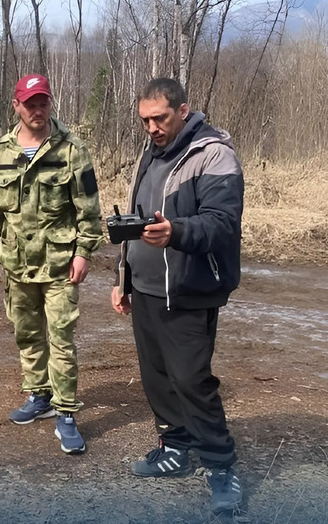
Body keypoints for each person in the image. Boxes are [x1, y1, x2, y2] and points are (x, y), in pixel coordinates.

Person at [111, 78, 244, 511]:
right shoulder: (150, 154)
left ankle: (222, 468)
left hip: (188, 289)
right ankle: (174, 448)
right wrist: (123, 278)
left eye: (160, 118)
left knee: (191, 380)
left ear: (183, 111)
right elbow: (137, 218)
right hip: (146, 289)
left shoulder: (213, 155)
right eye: (145, 120)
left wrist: (177, 232)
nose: (151, 127)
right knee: (157, 378)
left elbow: (223, 222)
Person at [0, 73, 103, 454]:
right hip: (15, 263)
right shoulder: (0, 151)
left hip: (60, 264)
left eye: (42, 102)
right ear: (16, 105)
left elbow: (89, 210)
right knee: (27, 334)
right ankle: (39, 396)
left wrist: (84, 252)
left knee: (61, 338)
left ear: (50, 103)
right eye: (29, 103)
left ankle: (66, 413)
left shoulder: (71, 150)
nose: (37, 110)